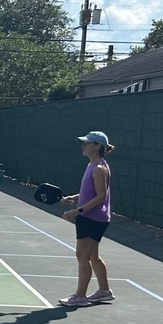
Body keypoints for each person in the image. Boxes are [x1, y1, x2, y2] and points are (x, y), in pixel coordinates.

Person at [58, 131, 114, 307]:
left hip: (92, 218)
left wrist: (77, 210)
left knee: (82, 256)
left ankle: (80, 296)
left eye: (87, 143)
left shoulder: (98, 168)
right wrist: (75, 197)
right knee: (93, 256)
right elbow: (92, 192)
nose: (83, 146)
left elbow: (101, 196)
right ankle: (104, 291)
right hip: (93, 217)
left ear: (97, 146)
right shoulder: (95, 165)